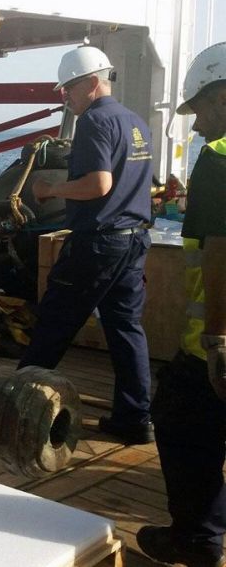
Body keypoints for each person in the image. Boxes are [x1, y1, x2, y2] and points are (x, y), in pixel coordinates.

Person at [21, 46, 155, 444]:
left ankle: (17, 403)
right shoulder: (135, 121)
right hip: (133, 241)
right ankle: (134, 419)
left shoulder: (94, 121)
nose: (66, 96)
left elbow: (99, 184)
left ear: (93, 82)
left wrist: (49, 189)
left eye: (70, 88)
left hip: (98, 244)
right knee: (126, 329)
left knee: (54, 321)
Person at [137, 41, 226, 567]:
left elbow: (220, 251)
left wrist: (217, 339)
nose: (197, 126)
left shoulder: (219, 159)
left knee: (180, 421)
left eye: (201, 110)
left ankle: (197, 539)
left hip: (210, 346)